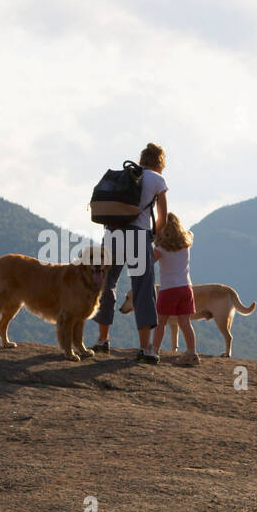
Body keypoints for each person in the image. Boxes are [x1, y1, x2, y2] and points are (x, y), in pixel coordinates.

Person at [90, 143, 168, 363]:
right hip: (138, 236)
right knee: (142, 289)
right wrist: (154, 236)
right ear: (160, 162)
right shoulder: (157, 179)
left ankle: (102, 340)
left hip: (112, 235)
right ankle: (145, 348)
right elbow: (163, 217)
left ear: (142, 159)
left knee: (106, 284)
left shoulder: (127, 174)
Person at [151, 213, 199, 366]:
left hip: (169, 289)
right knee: (185, 322)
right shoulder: (186, 243)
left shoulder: (161, 249)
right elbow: (190, 234)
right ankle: (192, 353)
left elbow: (148, 261)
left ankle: (153, 351)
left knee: (161, 323)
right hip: (186, 288)